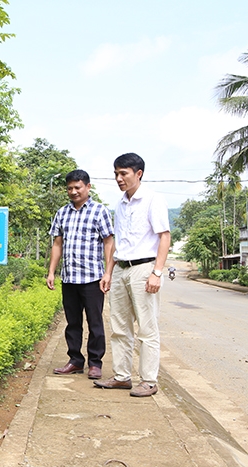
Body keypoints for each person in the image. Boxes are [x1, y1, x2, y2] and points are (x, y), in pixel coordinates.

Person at [96, 153, 170, 397]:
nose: (119, 178)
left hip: (143, 269)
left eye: (123, 173)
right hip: (120, 269)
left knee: (147, 328)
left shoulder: (152, 200)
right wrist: (108, 272)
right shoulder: (120, 203)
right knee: (119, 327)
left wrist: (156, 273)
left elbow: (164, 236)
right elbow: (117, 240)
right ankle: (121, 376)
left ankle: (148, 381)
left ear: (138, 174)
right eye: (116, 174)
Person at [47, 169, 114, 380]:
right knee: (72, 322)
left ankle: (95, 363)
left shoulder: (99, 211)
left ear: (87, 187)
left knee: (95, 322)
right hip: (69, 278)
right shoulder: (62, 213)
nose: (74, 191)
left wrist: (107, 272)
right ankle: (75, 360)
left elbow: (108, 242)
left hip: (93, 278)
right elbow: (57, 244)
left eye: (78, 187)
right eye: (70, 188)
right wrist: (51, 272)